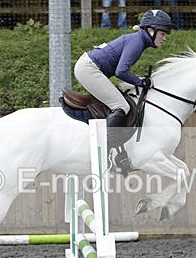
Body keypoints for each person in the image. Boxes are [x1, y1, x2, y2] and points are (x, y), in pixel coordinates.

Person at [73, 9, 174, 154]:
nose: (164, 38)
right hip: (89, 68)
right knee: (121, 105)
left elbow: (121, 71)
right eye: (163, 34)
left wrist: (138, 80)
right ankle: (104, 149)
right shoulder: (137, 42)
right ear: (151, 31)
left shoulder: (138, 39)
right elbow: (121, 72)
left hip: (89, 66)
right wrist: (140, 82)